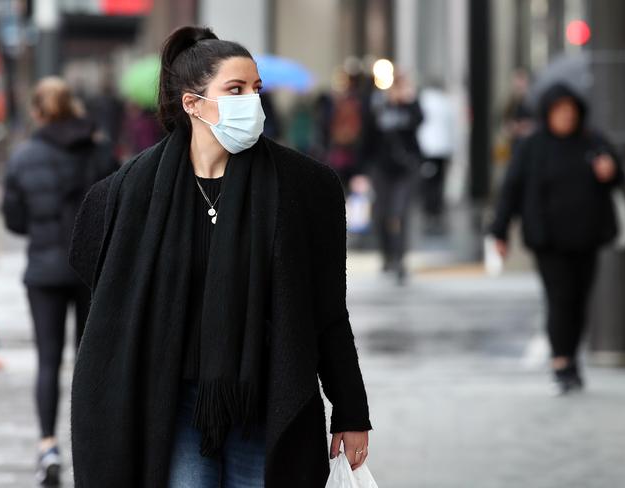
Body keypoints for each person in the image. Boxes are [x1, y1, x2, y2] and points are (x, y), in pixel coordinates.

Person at [68, 26, 372, 488]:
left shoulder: (304, 188)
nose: (252, 101)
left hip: (269, 400)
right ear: (192, 103)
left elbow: (328, 310)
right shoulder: (129, 195)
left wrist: (350, 409)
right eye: (235, 90)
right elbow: (104, 316)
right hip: (175, 404)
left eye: (255, 89)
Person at [1, 76, 118, 486]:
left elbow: (14, 219)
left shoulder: (23, 156)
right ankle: (94, 445)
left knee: (48, 360)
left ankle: (48, 446)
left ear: (36, 111)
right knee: (91, 361)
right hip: (90, 270)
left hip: (44, 272)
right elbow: (116, 207)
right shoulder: (100, 151)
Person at [490, 83, 624, 395]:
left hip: (587, 235)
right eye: (559, 111)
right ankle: (561, 362)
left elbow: (618, 178)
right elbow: (510, 190)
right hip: (548, 238)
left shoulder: (593, 141)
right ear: (548, 114)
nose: (566, 117)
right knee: (560, 299)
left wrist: (611, 171)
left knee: (579, 300)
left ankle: (571, 358)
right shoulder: (532, 146)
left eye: (571, 111)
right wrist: (499, 231)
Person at [361, 73, 424, 285]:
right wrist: (361, 171)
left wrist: (410, 100)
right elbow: (367, 137)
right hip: (382, 168)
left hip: (406, 169)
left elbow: (420, 120)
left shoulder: (410, 107)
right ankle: (386, 255)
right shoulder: (378, 108)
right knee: (381, 214)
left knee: (400, 212)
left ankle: (400, 259)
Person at [417, 80, 456, 234]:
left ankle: (430, 209)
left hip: (427, 149)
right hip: (442, 149)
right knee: (438, 181)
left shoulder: (423, 101)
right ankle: (436, 208)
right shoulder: (446, 102)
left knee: (428, 181)